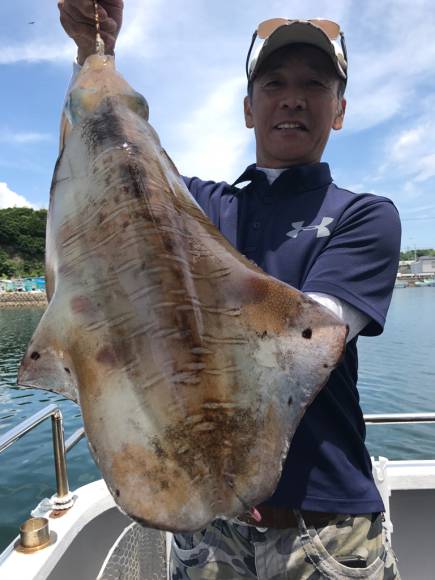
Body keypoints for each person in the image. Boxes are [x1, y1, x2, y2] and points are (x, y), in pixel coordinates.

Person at [58, 2, 402, 578]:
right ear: (249, 109)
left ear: (338, 112)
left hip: (324, 527)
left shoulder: (363, 216)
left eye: (314, 85)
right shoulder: (197, 205)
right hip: (206, 526)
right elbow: (98, 176)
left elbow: (308, 331)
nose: (292, 97)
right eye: (274, 83)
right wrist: (93, 56)